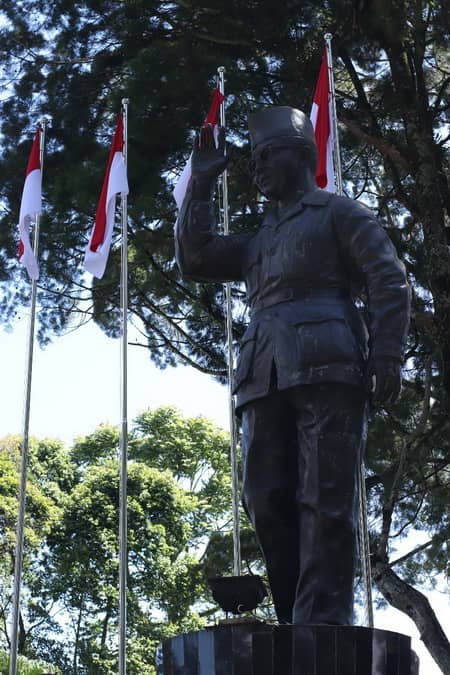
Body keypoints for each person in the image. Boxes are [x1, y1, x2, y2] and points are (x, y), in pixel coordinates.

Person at [175, 106, 410, 625]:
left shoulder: (338, 213)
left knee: (325, 499)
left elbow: (388, 281)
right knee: (266, 500)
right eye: (253, 158)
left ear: (301, 155)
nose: (256, 168)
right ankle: (294, 620)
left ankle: (321, 624)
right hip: (263, 373)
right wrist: (201, 185)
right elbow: (195, 259)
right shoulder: (260, 238)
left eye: (266, 156)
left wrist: (387, 352)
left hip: (329, 364)